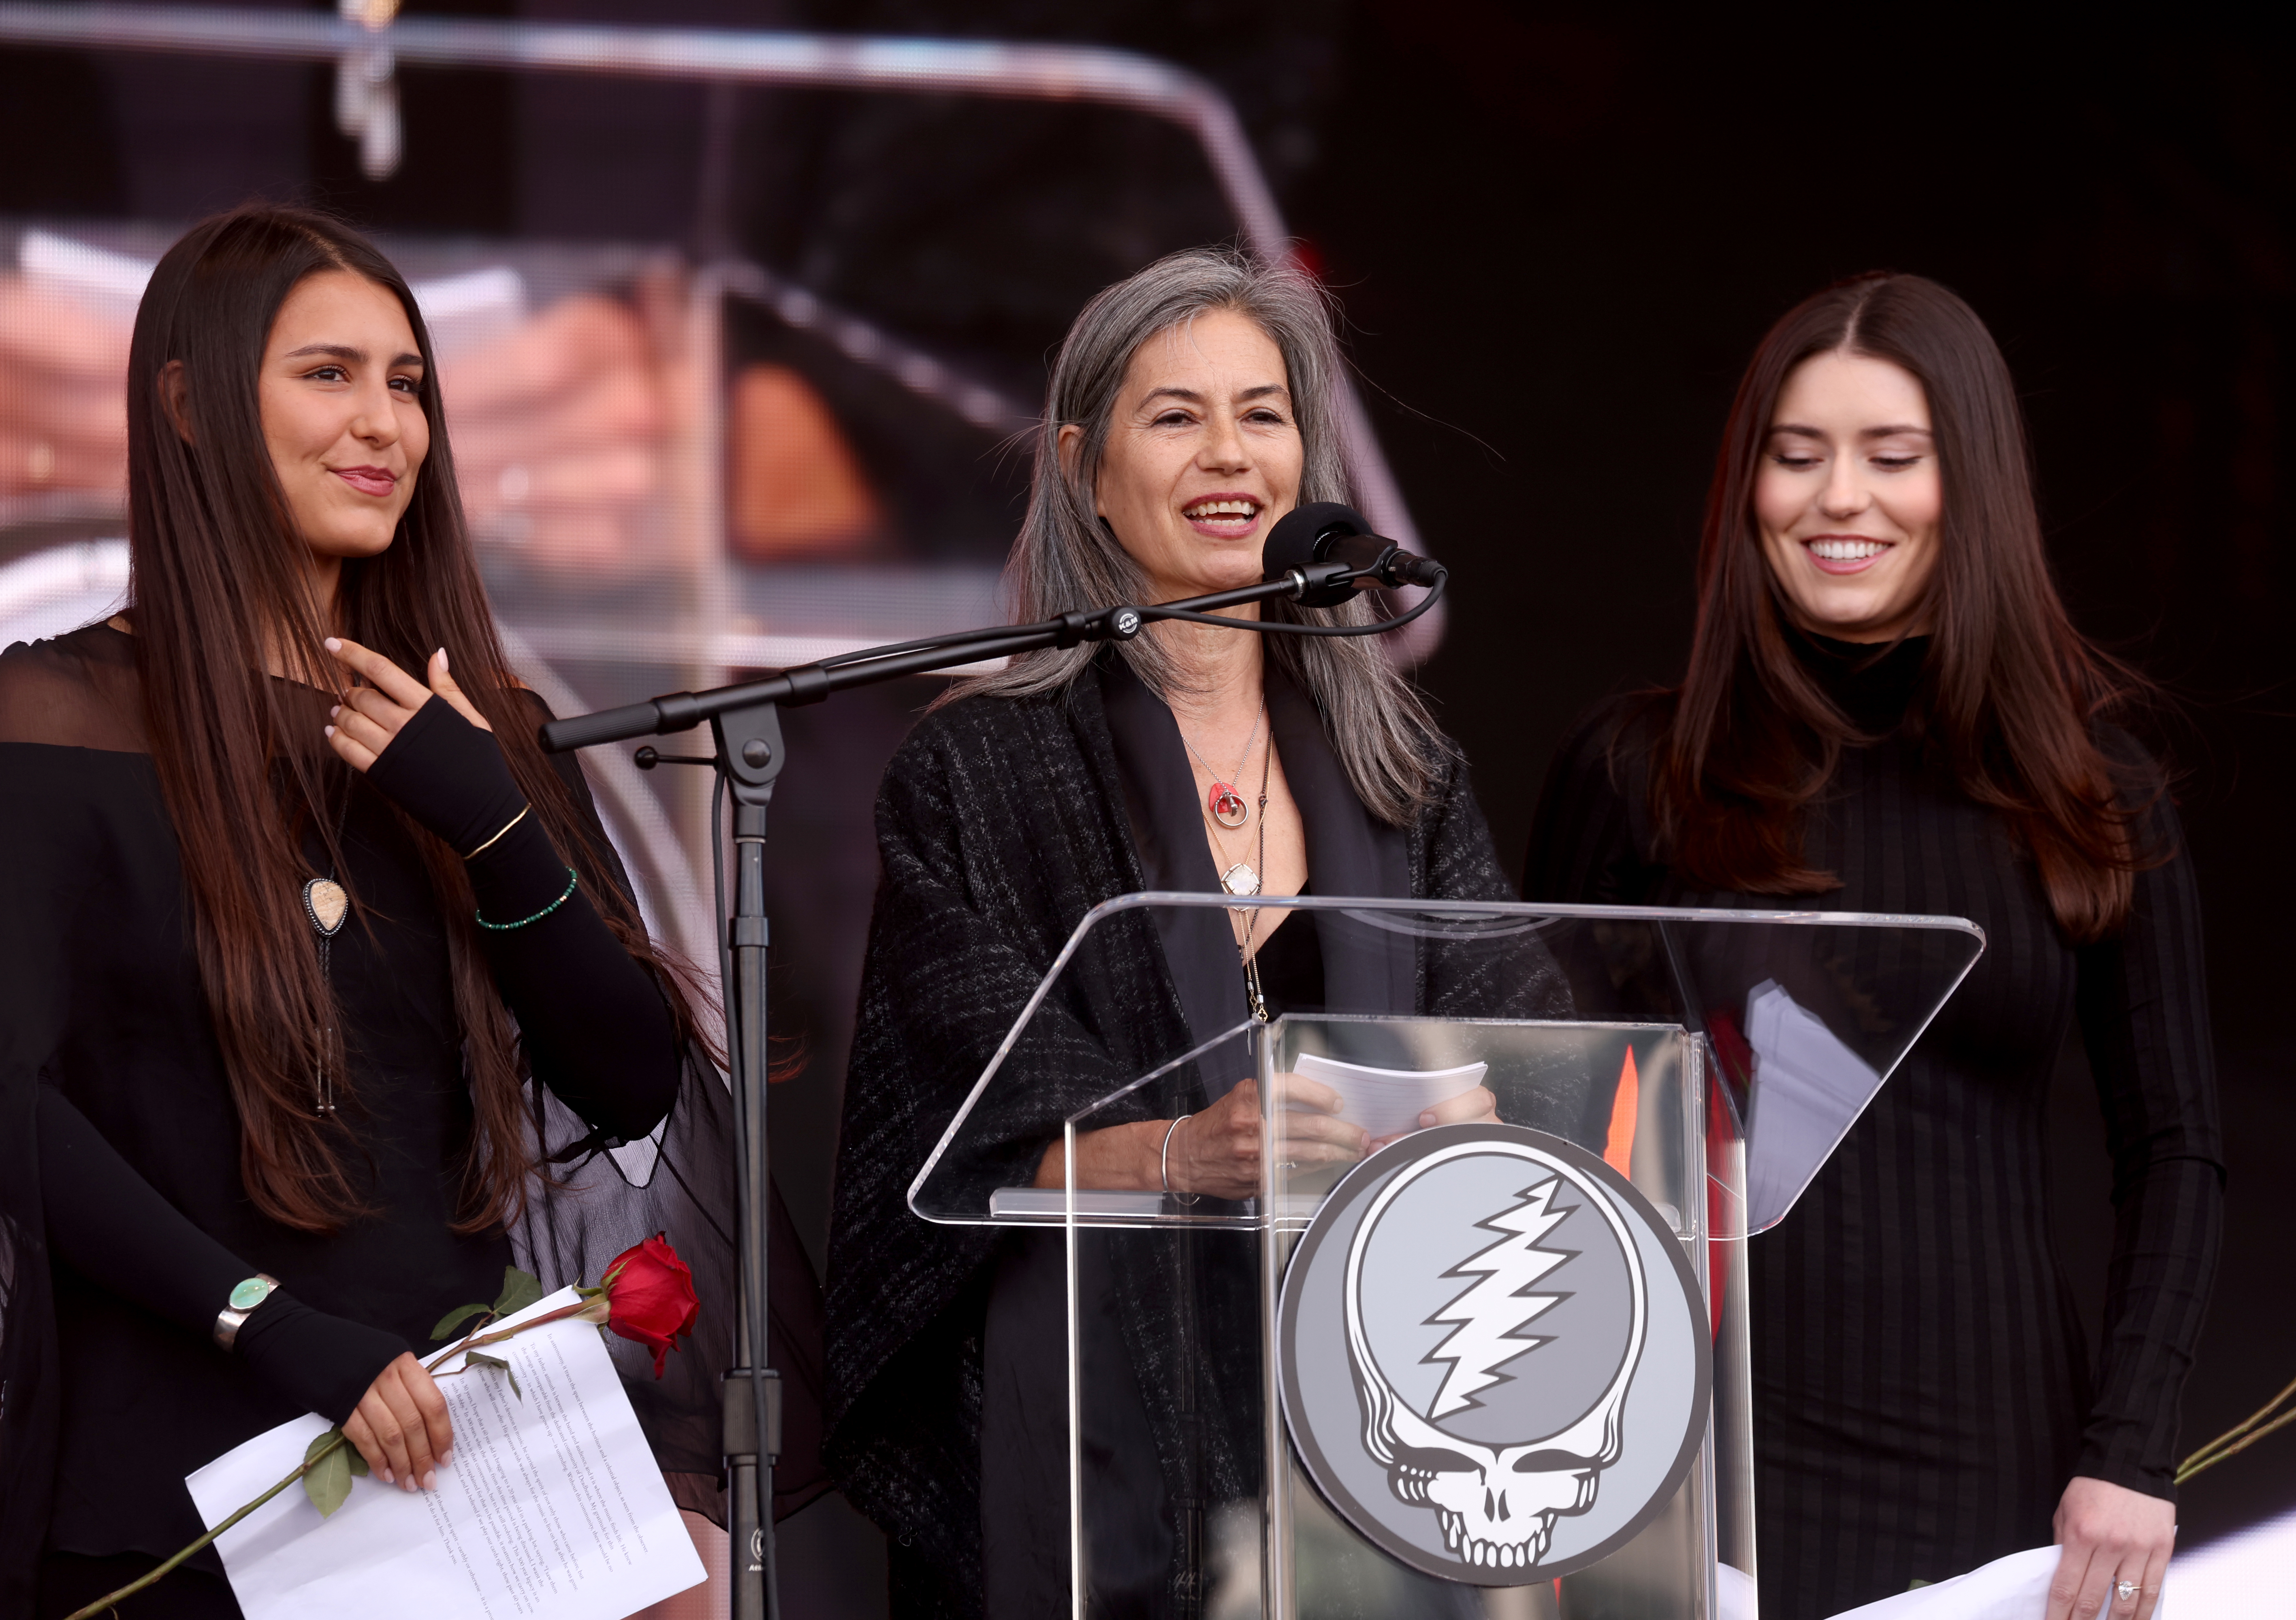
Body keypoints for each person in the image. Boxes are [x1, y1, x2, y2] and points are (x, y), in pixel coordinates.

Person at [0, 206, 735, 1618]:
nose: (384, 422)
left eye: (407, 382)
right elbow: (13, 1101)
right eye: (328, 375)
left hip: (450, 1452)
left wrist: (492, 815)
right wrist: (266, 1327)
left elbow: (631, 1081)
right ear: (190, 406)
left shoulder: (472, 737)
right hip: (174, 1467)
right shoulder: (63, 713)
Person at [822, 246, 1575, 1618]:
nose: (1229, 455)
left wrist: (1485, 1107)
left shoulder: (1400, 775)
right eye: (1175, 417)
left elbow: (1539, 1064)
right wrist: (1182, 1153)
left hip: (1377, 1436)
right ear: (1082, 465)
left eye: (1263, 414)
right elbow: (942, 1161)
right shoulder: (976, 775)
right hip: (1088, 1452)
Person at [1524, 273, 2221, 1620]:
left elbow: (2176, 1146)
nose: (1840, 498)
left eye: (1891, 457)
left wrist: (2130, 1451)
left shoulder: (2095, 792)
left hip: (1998, 1475)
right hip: (1688, 1465)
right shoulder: (1633, 769)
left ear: (1970, 487)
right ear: (1748, 493)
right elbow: (1543, 1134)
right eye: (1797, 457)